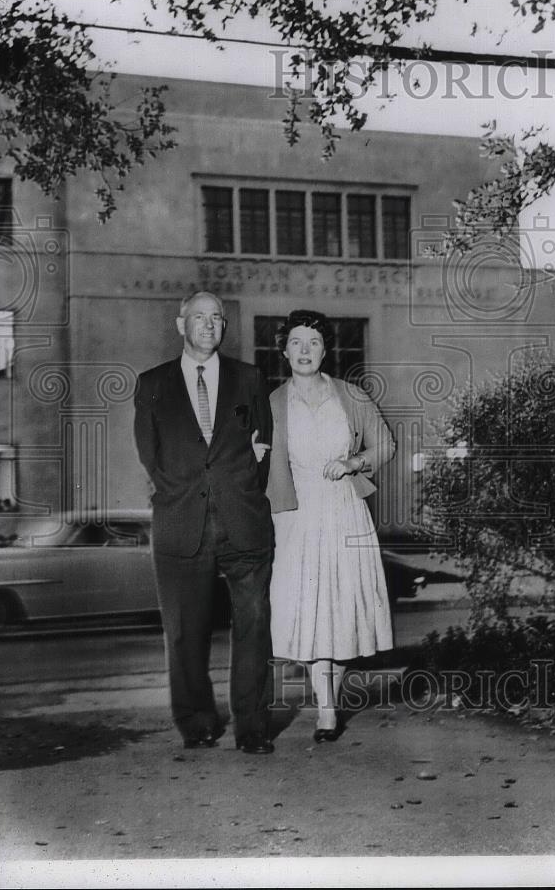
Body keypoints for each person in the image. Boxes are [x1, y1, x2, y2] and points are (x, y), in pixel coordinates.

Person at [133, 290, 275, 754]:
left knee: (253, 627)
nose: (209, 325)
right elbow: (150, 456)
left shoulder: (249, 378)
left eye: (216, 318)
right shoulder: (152, 384)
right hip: (180, 522)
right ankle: (197, 722)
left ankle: (252, 727)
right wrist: (181, 492)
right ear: (181, 324)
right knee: (183, 630)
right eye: (199, 317)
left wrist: (242, 489)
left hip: (243, 521)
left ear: (224, 327)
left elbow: (263, 448)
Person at [266, 310, 395, 742]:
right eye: (297, 343)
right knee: (308, 613)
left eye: (314, 343)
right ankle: (325, 707)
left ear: (325, 350)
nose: (305, 351)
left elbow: (386, 445)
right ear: (284, 350)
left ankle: (329, 705)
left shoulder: (352, 396)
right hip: (296, 515)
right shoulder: (271, 404)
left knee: (341, 612)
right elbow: (254, 460)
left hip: (344, 512)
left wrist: (353, 462)